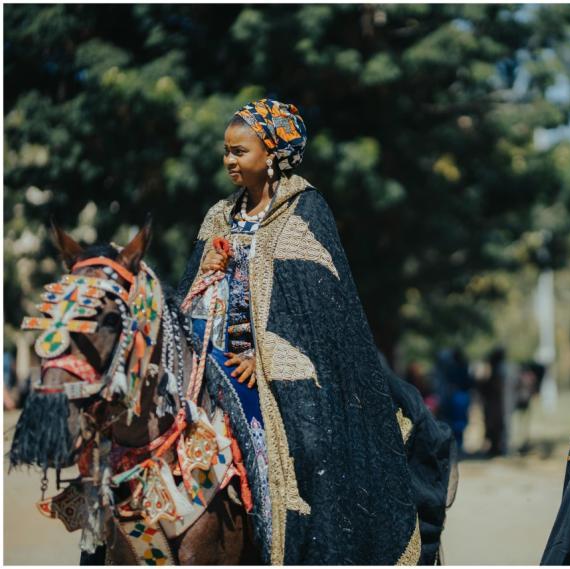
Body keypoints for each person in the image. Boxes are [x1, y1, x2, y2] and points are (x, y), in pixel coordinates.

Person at [178, 99, 453, 565]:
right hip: (214, 360)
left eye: (240, 151)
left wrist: (262, 357)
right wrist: (207, 272)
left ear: (271, 155)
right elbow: (189, 300)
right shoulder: (216, 217)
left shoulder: (304, 212)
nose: (229, 161)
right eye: (226, 151)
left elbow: (323, 315)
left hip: (284, 368)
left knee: (313, 449)